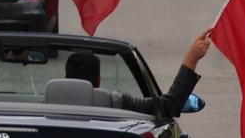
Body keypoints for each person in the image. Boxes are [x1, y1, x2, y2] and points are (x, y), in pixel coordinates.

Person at [64, 27, 212, 118]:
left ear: (65, 77)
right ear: (98, 80)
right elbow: (169, 106)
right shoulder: (116, 104)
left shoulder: (42, 104)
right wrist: (192, 58)